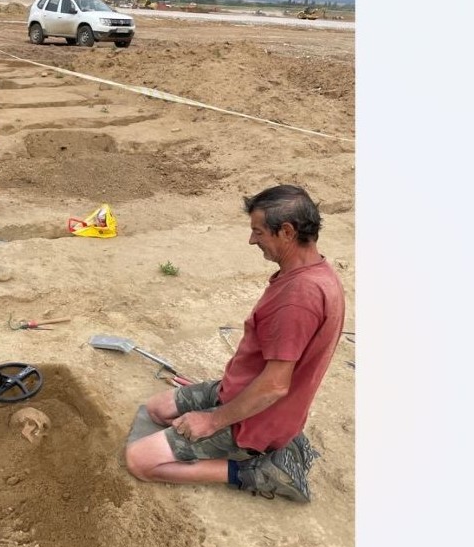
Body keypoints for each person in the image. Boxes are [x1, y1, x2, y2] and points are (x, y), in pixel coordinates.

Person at [123, 184, 345, 502]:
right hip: (240, 390)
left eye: (258, 232)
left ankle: (255, 471)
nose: (252, 240)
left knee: (139, 460)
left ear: (286, 231)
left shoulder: (299, 298)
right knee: (157, 409)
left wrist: (212, 420)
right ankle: (238, 433)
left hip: (259, 417)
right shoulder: (314, 272)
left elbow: (274, 386)